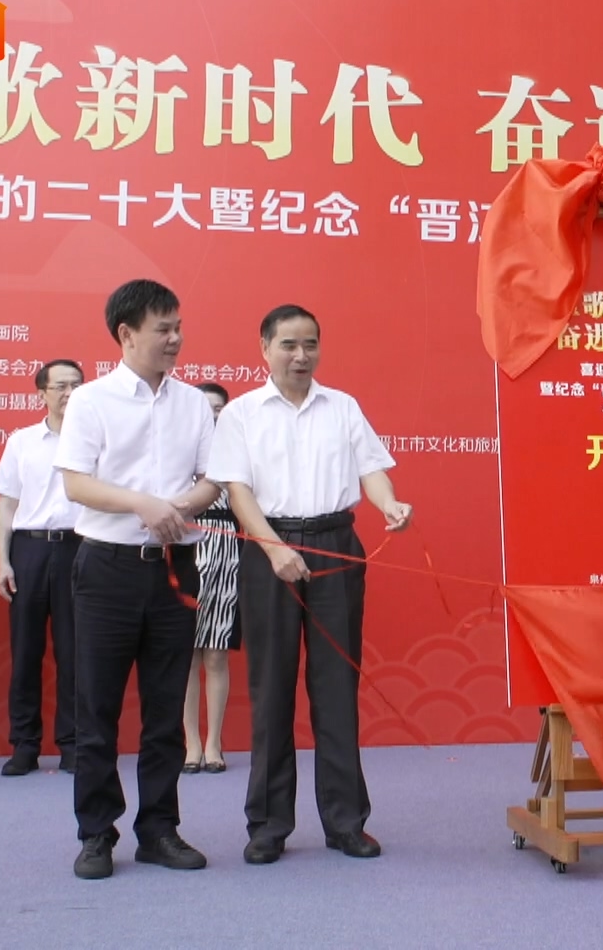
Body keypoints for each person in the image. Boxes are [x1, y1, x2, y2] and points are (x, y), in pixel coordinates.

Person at [211, 304, 412, 866]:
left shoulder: (342, 406)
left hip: (335, 547)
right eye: (289, 345)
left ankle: (346, 822)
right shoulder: (241, 414)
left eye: (311, 345)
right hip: (268, 551)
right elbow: (237, 491)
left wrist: (389, 504)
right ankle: (268, 825)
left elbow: (371, 469)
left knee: (336, 688)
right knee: (271, 690)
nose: (301, 356)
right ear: (264, 348)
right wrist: (274, 548)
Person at [55, 279, 219, 880]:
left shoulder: (193, 403)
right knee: (96, 708)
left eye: (178, 328)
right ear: (126, 334)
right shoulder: (91, 400)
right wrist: (141, 503)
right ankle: (97, 833)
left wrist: (180, 506)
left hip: (175, 568)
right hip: (107, 569)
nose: (175, 339)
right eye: (163, 329)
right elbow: (76, 482)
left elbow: (213, 479)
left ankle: (159, 830)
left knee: (165, 709)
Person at [0, 359, 87, 776]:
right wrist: (2, 561)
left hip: (80, 549)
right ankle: (25, 744)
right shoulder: (22, 441)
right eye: (60, 386)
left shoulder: (96, 439)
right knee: (26, 651)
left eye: (76, 385)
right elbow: (7, 505)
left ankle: (74, 743)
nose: (69, 393)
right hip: (29, 550)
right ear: (41, 393)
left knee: (76, 653)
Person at [182, 382, 238, 775]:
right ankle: (191, 743)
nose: (213, 414)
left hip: (228, 554)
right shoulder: (178, 451)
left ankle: (215, 742)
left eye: (219, 408)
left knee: (216, 653)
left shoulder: (239, 451)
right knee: (186, 654)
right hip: (185, 551)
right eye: (206, 408)